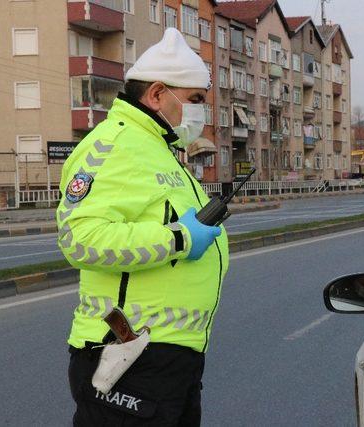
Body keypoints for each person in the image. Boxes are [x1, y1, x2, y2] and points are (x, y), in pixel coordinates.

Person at [57, 28, 229, 426]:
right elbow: (79, 239)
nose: (201, 113)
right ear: (156, 94)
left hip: (170, 356)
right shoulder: (113, 145)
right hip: (129, 354)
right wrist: (182, 238)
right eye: (196, 100)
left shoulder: (159, 150)